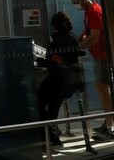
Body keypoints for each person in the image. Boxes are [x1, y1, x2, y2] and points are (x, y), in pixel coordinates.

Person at [69, 0, 114, 140]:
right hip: (97, 54)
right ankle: (108, 122)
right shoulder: (88, 11)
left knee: (103, 88)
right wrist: (81, 37)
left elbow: (94, 37)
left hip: (103, 55)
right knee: (101, 87)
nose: (76, 5)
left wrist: (80, 46)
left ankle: (110, 126)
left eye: (76, 2)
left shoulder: (95, 11)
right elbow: (89, 29)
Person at [36, 11, 85, 146]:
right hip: (71, 82)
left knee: (38, 100)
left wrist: (39, 61)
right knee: (53, 105)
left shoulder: (55, 42)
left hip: (57, 80)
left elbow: (51, 62)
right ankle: (50, 134)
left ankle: (48, 134)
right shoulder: (73, 38)